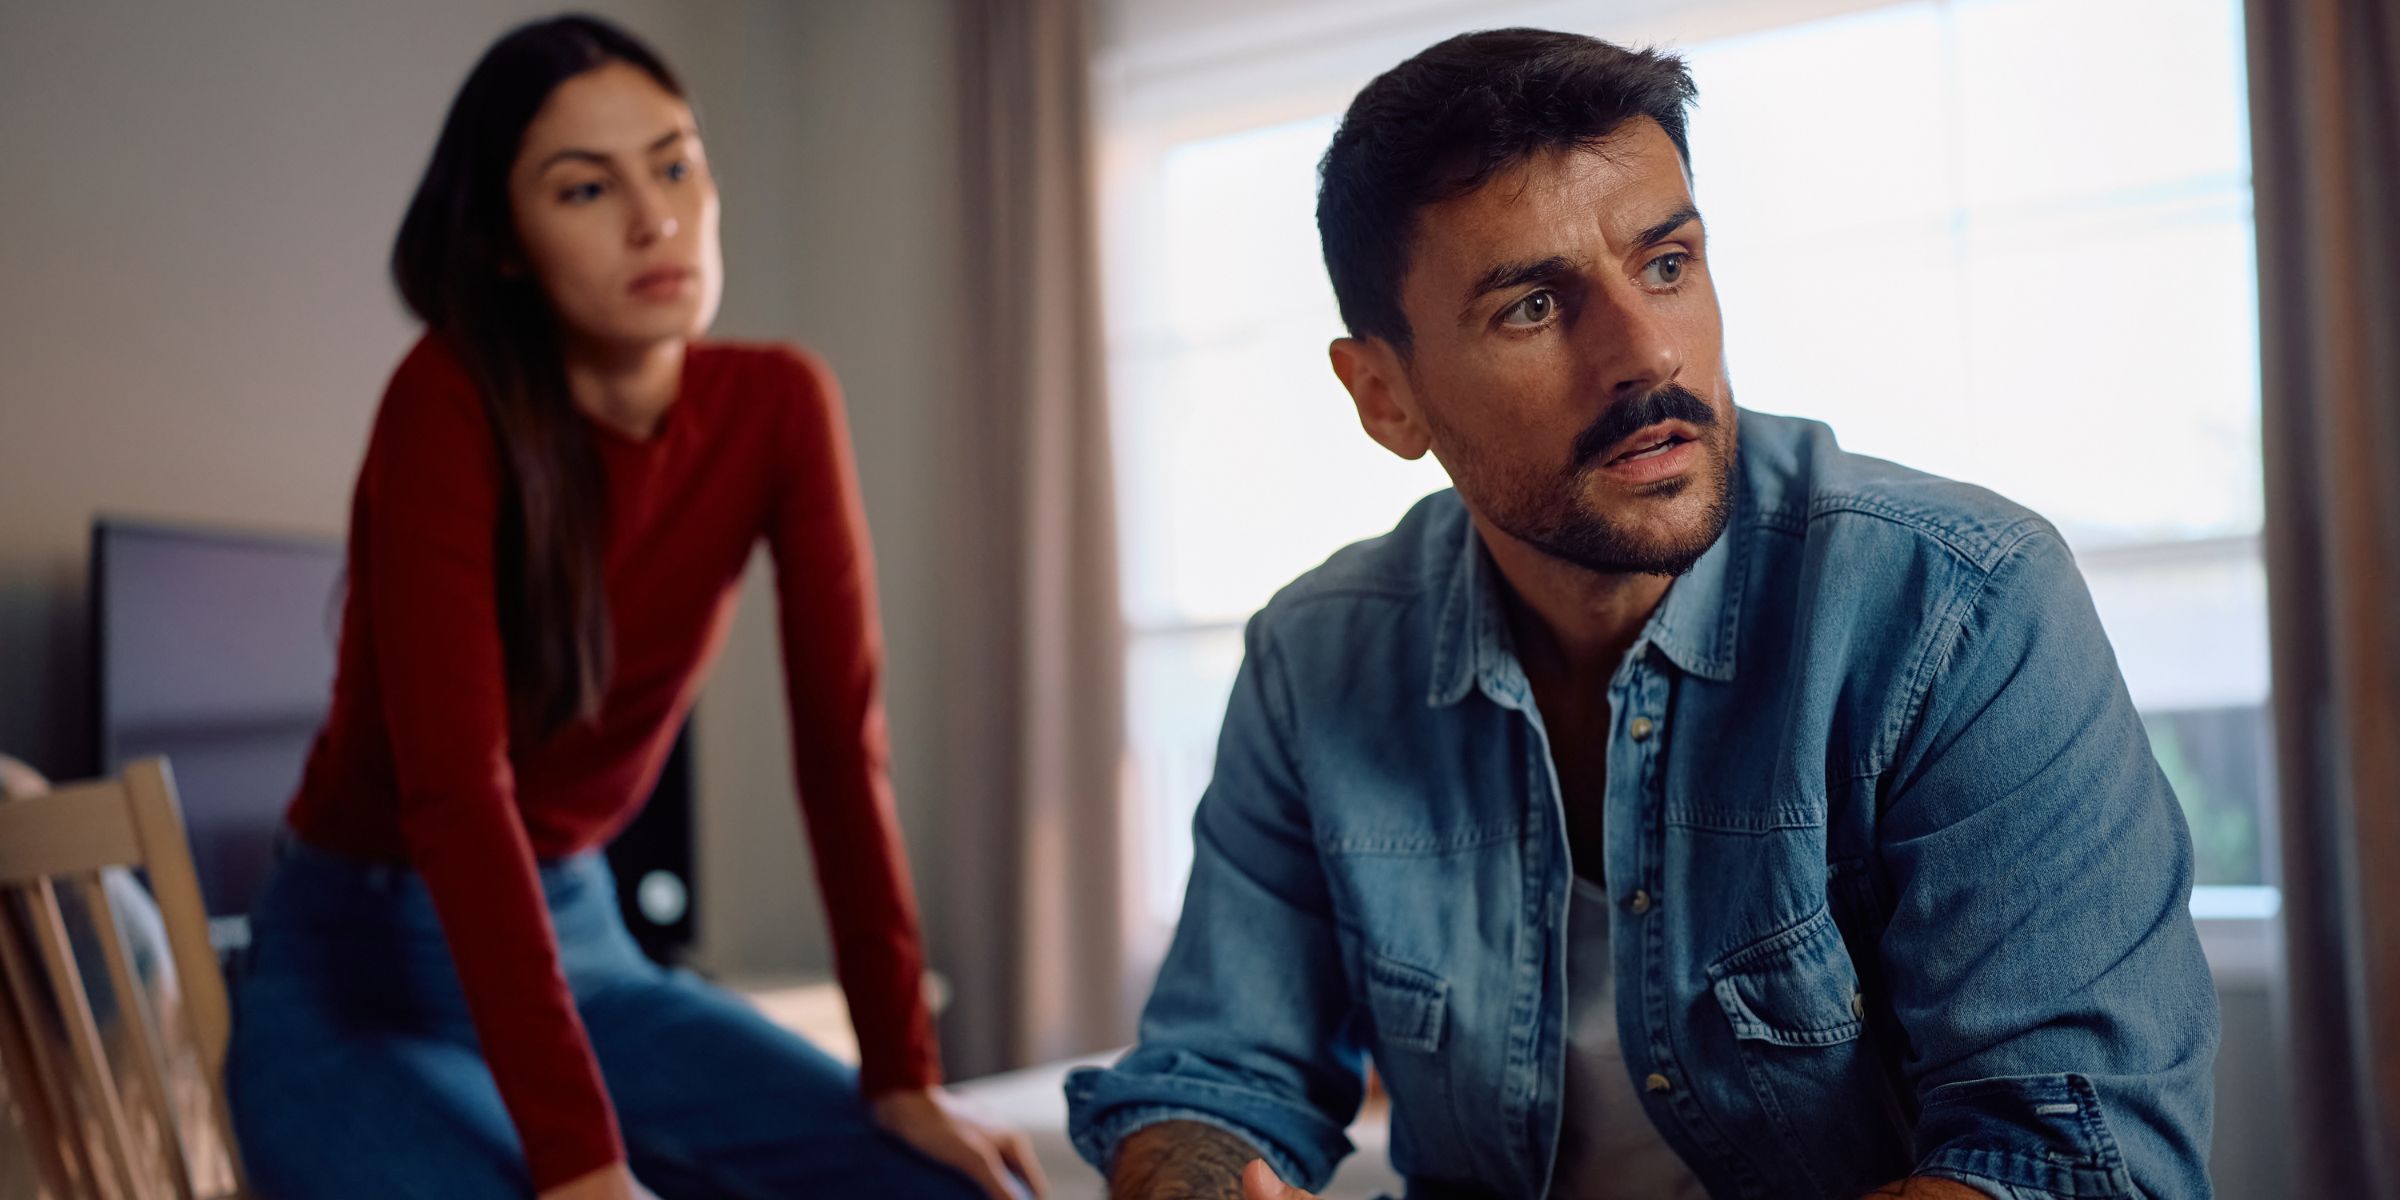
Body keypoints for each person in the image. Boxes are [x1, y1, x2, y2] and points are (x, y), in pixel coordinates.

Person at [1066, 27, 2216, 1200]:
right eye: (1531, 306)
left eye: (1667, 263)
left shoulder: (1961, 608)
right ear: (1384, 396)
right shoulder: (1314, 661)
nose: (1647, 349)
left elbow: (2069, 1160)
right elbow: (1211, 1083)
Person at [223, 16, 1044, 1200]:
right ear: (507, 243)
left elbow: (839, 748)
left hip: (584, 949)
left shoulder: (779, 406)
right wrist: (583, 1164)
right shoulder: (444, 402)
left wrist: (902, 1072)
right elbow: (457, 795)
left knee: (957, 1187)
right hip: (358, 973)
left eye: (674, 163)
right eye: (582, 189)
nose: (654, 216)